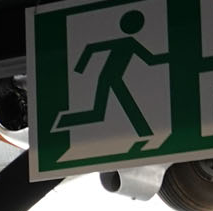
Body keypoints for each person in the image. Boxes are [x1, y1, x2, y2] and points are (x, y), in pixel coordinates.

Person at [58, 8, 159, 140]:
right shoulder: (128, 42)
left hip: (111, 78)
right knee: (109, 110)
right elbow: (91, 49)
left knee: (98, 113)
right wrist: (80, 67)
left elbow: (150, 59)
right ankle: (145, 133)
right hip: (109, 78)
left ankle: (64, 121)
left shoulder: (130, 42)